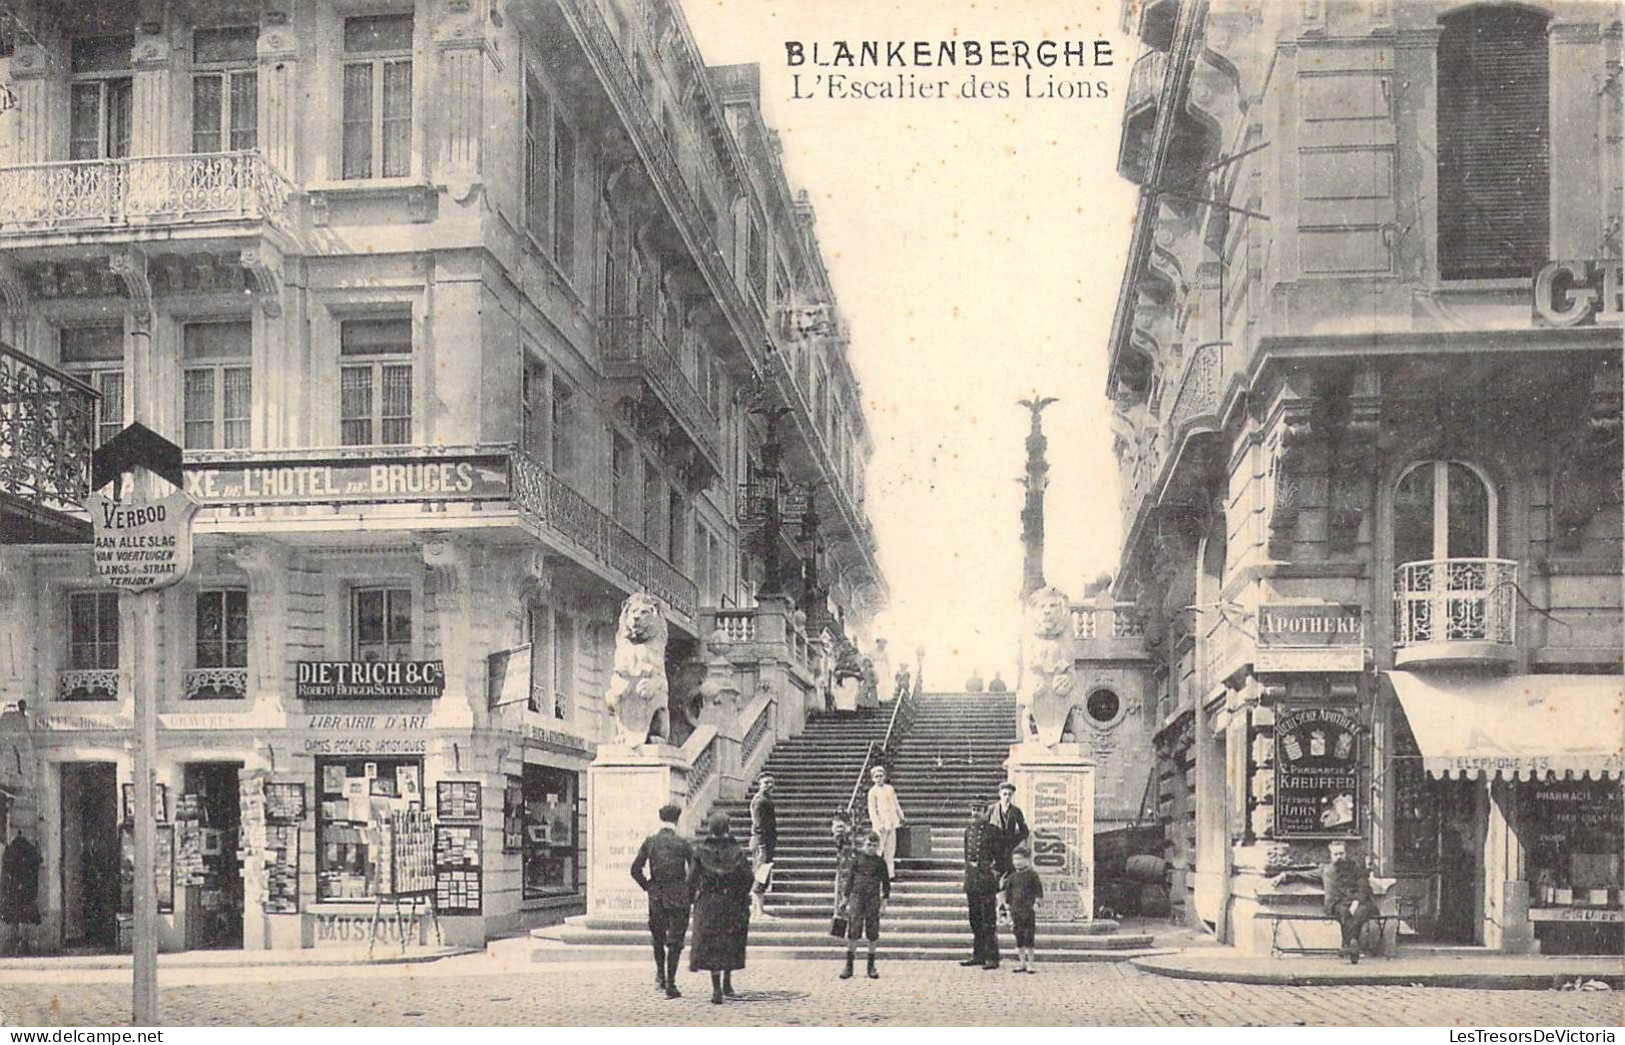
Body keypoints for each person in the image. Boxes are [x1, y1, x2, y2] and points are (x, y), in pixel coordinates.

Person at [629, 803, 694, 998]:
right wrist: (688, 892)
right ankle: (671, 984)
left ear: (661, 819)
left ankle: (660, 975)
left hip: (656, 895)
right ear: (677, 820)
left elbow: (635, 870)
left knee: (658, 938)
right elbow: (694, 871)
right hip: (678, 895)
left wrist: (648, 886)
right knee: (675, 941)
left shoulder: (650, 842)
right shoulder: (683, 843)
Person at [689, 812, 754, 1003]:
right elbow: (748, 878)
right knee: (729, 941)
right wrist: (740, 895)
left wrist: (694, 899)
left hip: (708, 902)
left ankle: (716, 989)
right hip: (732, 901)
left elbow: (691, 880)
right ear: (728, 829)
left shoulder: (700, 851)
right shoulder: (737, 852)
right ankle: (727, 982)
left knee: (712, 944)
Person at [840, 830, 891, 980]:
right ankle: (849, 966)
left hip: (873, 899)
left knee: (872, 932)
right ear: (864, 845)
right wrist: (845, 899)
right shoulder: (856, 860)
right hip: (857, 898)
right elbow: (849, 881)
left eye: (874, 845)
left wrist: (884, 902)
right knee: (853, 930)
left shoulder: (880, 862)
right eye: (869, 845)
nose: (871, 848)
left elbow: (886, 884)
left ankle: (871, 966)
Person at [1321, 839, 1376, 963]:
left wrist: (1356, 901)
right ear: (1330, 856)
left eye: (1342, 854)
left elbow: (1364, 887)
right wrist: (1284, 876)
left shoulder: (1355, 868)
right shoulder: (1325, 869)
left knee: (1361, 911)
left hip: (1357, 902)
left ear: (1346, 854)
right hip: (1336, 904)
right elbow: (1304, 873)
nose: (1339, 857)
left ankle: (1348, 944)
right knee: (1344, 912)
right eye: (1336, 854)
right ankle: (1352, 944)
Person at [961, 802, 1001, 970]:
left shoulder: (994, 832)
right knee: (974, 919)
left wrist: (994, 873)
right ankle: (978, 955)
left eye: (979, 810)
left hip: (986, 879)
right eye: (973, 809)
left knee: (988, 920)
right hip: (972, 879)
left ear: (986, 812)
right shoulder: (968, 831)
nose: (975, 813)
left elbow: (1002, 856)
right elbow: (966, 856)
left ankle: (992, 957)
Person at [0, 832, 41, 957]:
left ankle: (17, 942)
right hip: (26, 893)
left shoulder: (9, 852)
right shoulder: (29, 854)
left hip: (14, 892)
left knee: (15, 917)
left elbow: (6, 873)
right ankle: (23, 942)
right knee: (25, 918)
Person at [1005, 847, 1044, 974]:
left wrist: (1037, 903)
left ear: (1027, 860)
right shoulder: (1012, 877)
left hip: (1028, 910)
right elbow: (1008, 895)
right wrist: (1008, 911)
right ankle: (1022, 963)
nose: (1017, 862)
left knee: (1029, 937)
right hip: (1016, 910)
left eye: (1020, 859)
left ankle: (1031, 964)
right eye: (1015, 859)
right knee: (1019, 937)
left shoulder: (1032, 875)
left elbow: (1038, 891)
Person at [865, 765, 906, 878]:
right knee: (878, 849)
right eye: (876, 776)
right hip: (881, 825)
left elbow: (896, 803)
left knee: (890, 850)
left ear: (884, 776)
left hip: (892, 822)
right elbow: (872, 810)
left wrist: (901, 816)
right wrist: (878, 824)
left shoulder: (890, 788)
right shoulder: (872, 792)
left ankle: (890, 874)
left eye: (881, 775)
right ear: (873, 778)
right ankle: (874, 874)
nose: (879, 778)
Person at [987, 782, 1030, 880]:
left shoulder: (1016, 811)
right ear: (1000, 794)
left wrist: (1014, 841)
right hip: (994, 852)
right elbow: (985, 828)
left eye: (1009, 794)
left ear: (1012, 796)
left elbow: (1025, 831)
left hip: (1008, 853)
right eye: (1004, 794)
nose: (1007, 797)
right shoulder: (991, 810)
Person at [749, 773, 777, 920]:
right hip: (762, 842)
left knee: (762, 874)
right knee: (761, 874)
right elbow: (758, 825)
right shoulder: (760, 801)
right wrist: (761, 846)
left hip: (765, 842)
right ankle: (758, 911)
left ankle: (756, 910)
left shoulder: (766, 800)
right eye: (766, 782)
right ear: (760, 783)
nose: (769, 785)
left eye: (771, 783)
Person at [830, 810, 856, 926]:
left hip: (847, 860)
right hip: (843, 861)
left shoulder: (844, 830)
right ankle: (841, 913)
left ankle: (843, 912)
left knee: (845, 886)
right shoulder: (842, 830)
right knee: (842, 887)